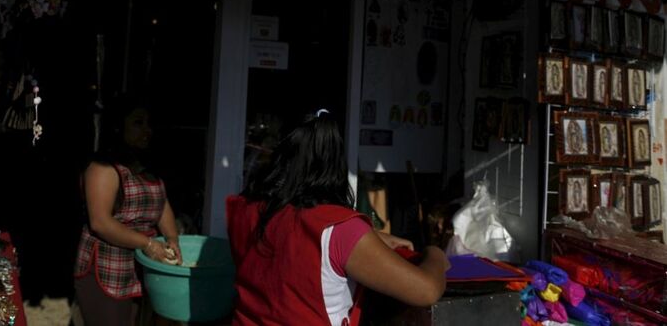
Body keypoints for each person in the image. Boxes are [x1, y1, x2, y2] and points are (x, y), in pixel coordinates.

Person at [227, 112, 449, 325]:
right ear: (335, 163)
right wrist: (436, 253)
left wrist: (369, 237)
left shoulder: (246, 209)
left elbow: (287, 241)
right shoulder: (341, 230)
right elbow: (426, 291)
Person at [73, 95, 181, 325]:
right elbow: (100, 222)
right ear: (117, 127)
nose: (147, 130)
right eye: (138, 123)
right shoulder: (103, 168)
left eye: (149, 123)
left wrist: (172, 241)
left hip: (141, 269)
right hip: (106, 268)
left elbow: (162, 208)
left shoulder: (148, 168)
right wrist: (149, 244)